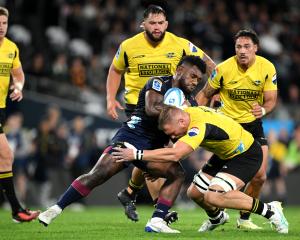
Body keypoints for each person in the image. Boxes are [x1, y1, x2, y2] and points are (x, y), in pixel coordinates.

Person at [38, 56, 206, 233]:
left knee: (177, 172)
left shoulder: (191, 102)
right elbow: (151, 108)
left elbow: (177, 136)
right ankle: (55, 209)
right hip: (131, 137)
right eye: (192, 76)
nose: (195, 82)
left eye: (198, 79)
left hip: (151, 149)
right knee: (98, 174)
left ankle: (157, 220)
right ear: (179, 70)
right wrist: (180, 110)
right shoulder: (159, 83)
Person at [106, 4, 215, 222]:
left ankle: (129, 193)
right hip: (140, 107)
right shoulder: (128, 46)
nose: (157, 27)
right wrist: (110, 98)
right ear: (143, 24)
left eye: (160, 23)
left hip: (170, 108)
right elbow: (115, 70)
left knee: (152, 153)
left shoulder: (180, 44)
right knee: (155, 153)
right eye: (152, 23)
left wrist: (214, 91)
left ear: (166, 24)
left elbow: (210, 64)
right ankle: (157, 210)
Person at [112, 106, 289, 234]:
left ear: (181, 121)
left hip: (246, 153)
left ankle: (271, 211)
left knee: (214, 195)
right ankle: (217, 218)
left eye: (172, 132)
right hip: (226, 152)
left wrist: (136, 154)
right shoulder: (187, 112)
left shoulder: (198, 127)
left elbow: (176, 154)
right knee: (194, 193)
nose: (173, 136)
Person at [195, 29, 278, 230]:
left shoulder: (267, 67)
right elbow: (204, 94)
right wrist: (196, 118)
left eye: (247, 46)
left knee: (260, 177)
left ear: (256, 48)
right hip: (228, 128)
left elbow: (271, 99)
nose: (242, 51)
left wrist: (264, 109)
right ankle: (217, 215)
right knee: (200, 190)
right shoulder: (223, 69)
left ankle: (244, 219)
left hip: (252, 126)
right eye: (238, 46)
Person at [0, 7, 39, 222]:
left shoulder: (11, 48)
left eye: (4, 23)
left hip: (1, 109)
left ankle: (16, 210)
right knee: (6, 155)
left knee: (5, 157)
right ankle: (17, 210)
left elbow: (18, 74)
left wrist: (18, 87)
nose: (1, 26)